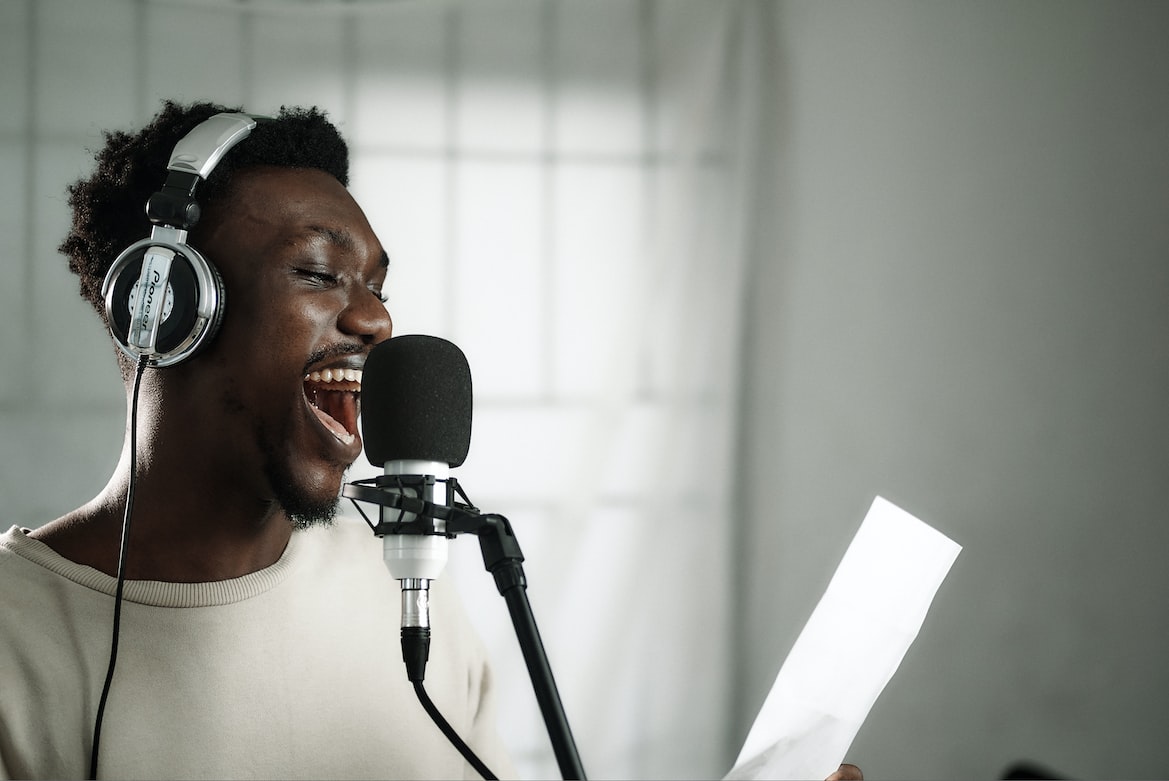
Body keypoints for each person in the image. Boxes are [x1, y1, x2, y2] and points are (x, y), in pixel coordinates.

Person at [0, 100, 515, 780]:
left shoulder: (409, 587)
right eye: (319, 273)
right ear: (165, 305)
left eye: (378, 289)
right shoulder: (13, 635)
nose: (377, 320)